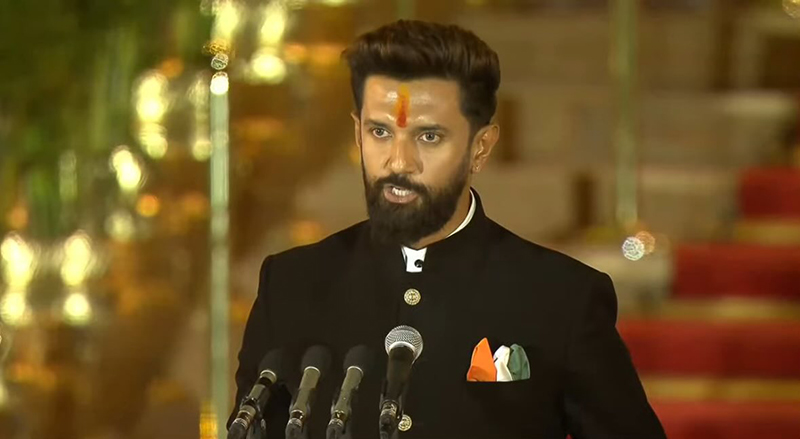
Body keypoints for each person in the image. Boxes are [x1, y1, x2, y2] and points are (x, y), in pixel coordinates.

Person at [229, 20, 666, 439]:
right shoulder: (292, 285)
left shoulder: (561, 298)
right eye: (380, 131)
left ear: (481, 147)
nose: (399, 162)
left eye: (429, 137)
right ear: (357, 133)